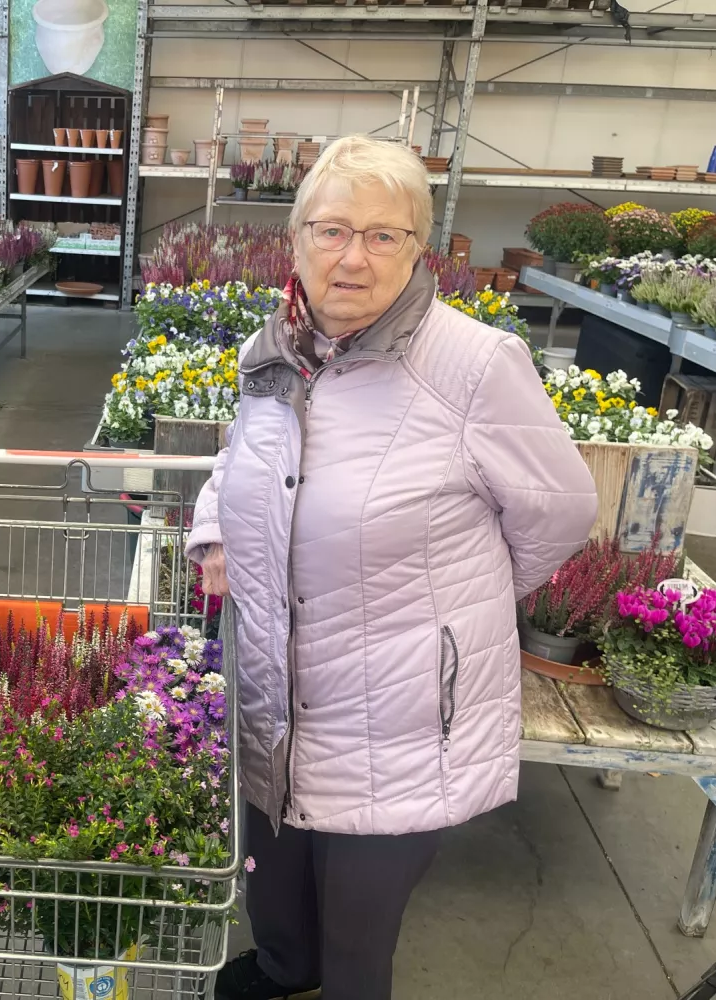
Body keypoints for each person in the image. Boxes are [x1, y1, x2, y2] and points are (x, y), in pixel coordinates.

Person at [186, 135, 598, 1000]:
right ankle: (283, 970)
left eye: (383, 235)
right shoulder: (275, 346)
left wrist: (451, 607)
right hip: (276, 683)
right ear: (295, 239)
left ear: (417, 249)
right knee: (274, 882)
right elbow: (245, 457)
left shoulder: (474, 365)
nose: (353, 258)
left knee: (357, 934)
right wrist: (216, 530)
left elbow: (558, 509)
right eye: (332, 230)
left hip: (396, 707)